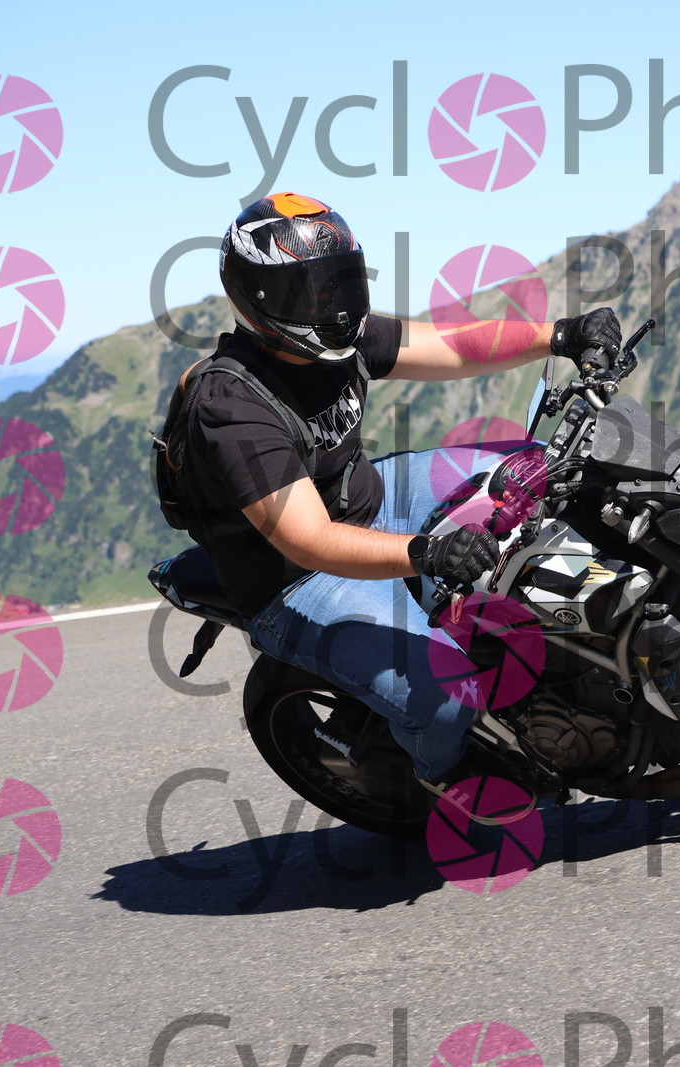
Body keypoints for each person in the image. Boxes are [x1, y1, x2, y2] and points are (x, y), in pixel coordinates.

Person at [183, 191, 621, 816]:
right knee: (447, 697)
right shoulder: (232, 407)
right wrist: (429, 553)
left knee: (537, 473)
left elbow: (455, 345)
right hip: (298, 578)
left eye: (338, 282)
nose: (330, 305)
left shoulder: (342, 336)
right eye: (307, 292)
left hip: (375, 499)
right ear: (258, 301)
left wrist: (560, 335)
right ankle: (447, 774)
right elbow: (309, 539)